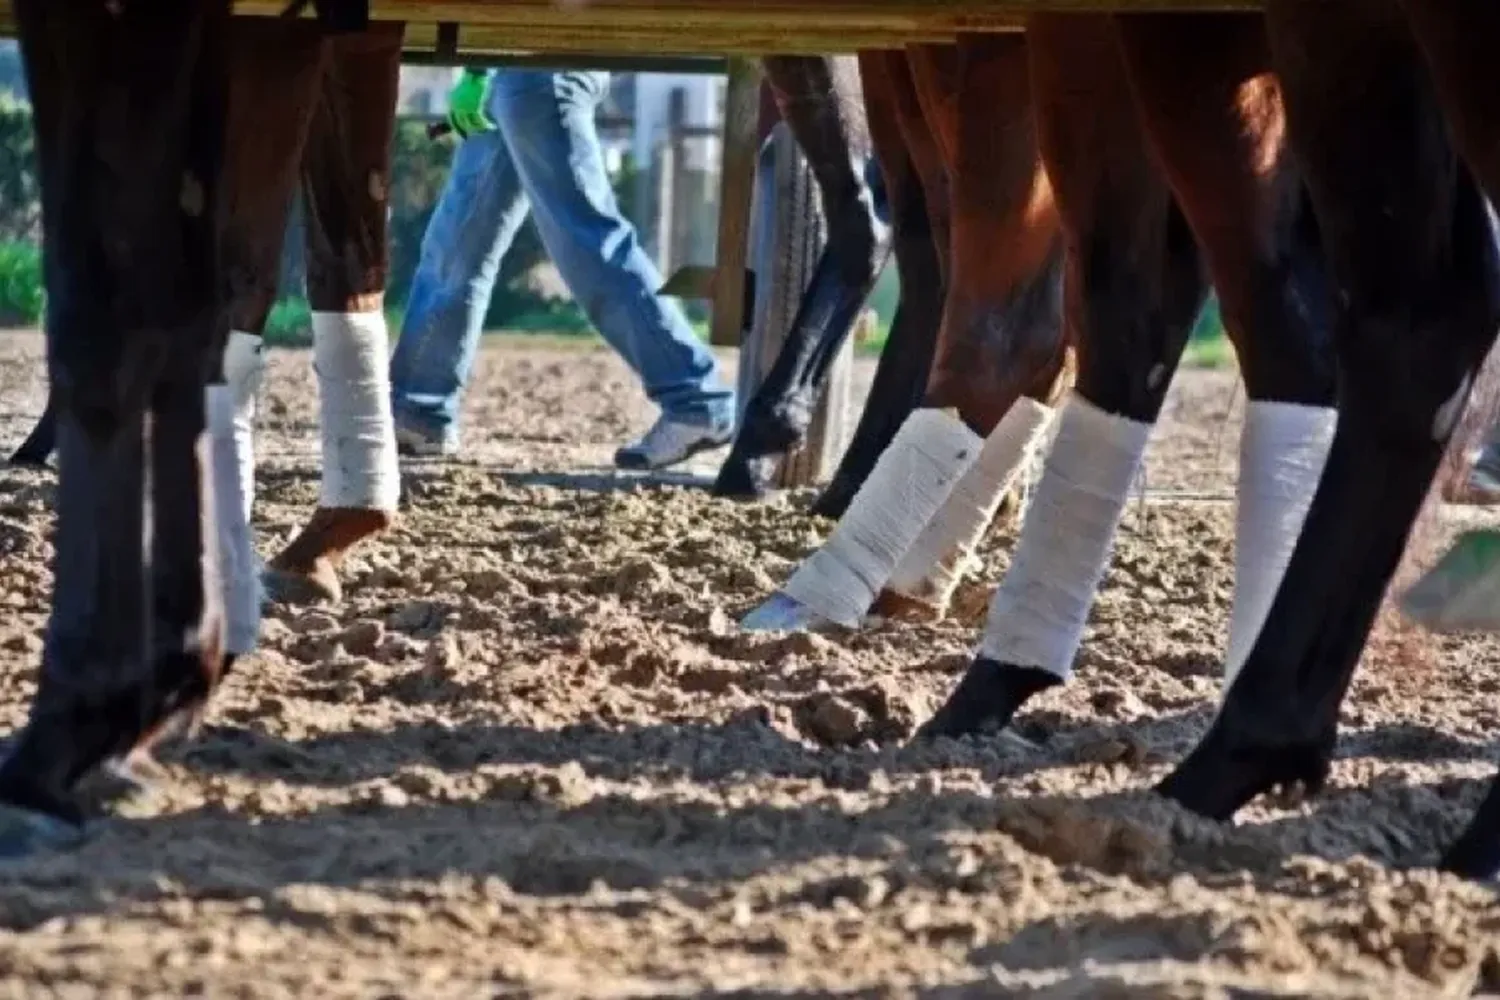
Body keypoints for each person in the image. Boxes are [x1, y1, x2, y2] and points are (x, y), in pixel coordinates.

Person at [389, 68, 736, 469]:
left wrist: (478, 68)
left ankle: (697, 399)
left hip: (541, 68)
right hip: (507, 65)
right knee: (457, 241)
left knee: (585, 238)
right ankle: (419, 407)